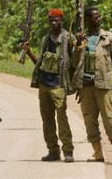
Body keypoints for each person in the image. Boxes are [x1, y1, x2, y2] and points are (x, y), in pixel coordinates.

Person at [72, 6, 112, 166]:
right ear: (88, 20)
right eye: (95, 17)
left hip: (104, 85)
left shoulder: (109, 37)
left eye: (99, 16)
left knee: (109, 119)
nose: (99, 19)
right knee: (89, 119)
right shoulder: (82, 39)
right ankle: (97, 151)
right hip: (86, 85)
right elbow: (74, 63)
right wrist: (77, 44)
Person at [24, 9, 75, 162]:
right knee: (47, 120)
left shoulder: (68, 39)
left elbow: (77, 61)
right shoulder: (46, 40)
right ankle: (53, 151)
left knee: (62, 119)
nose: (54, 23)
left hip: (58, 85)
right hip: (44, 84)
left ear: (61, 21)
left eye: (56, 20)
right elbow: (39, 63)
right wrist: (28, 52)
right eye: (51, 20)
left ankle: (68, 151)